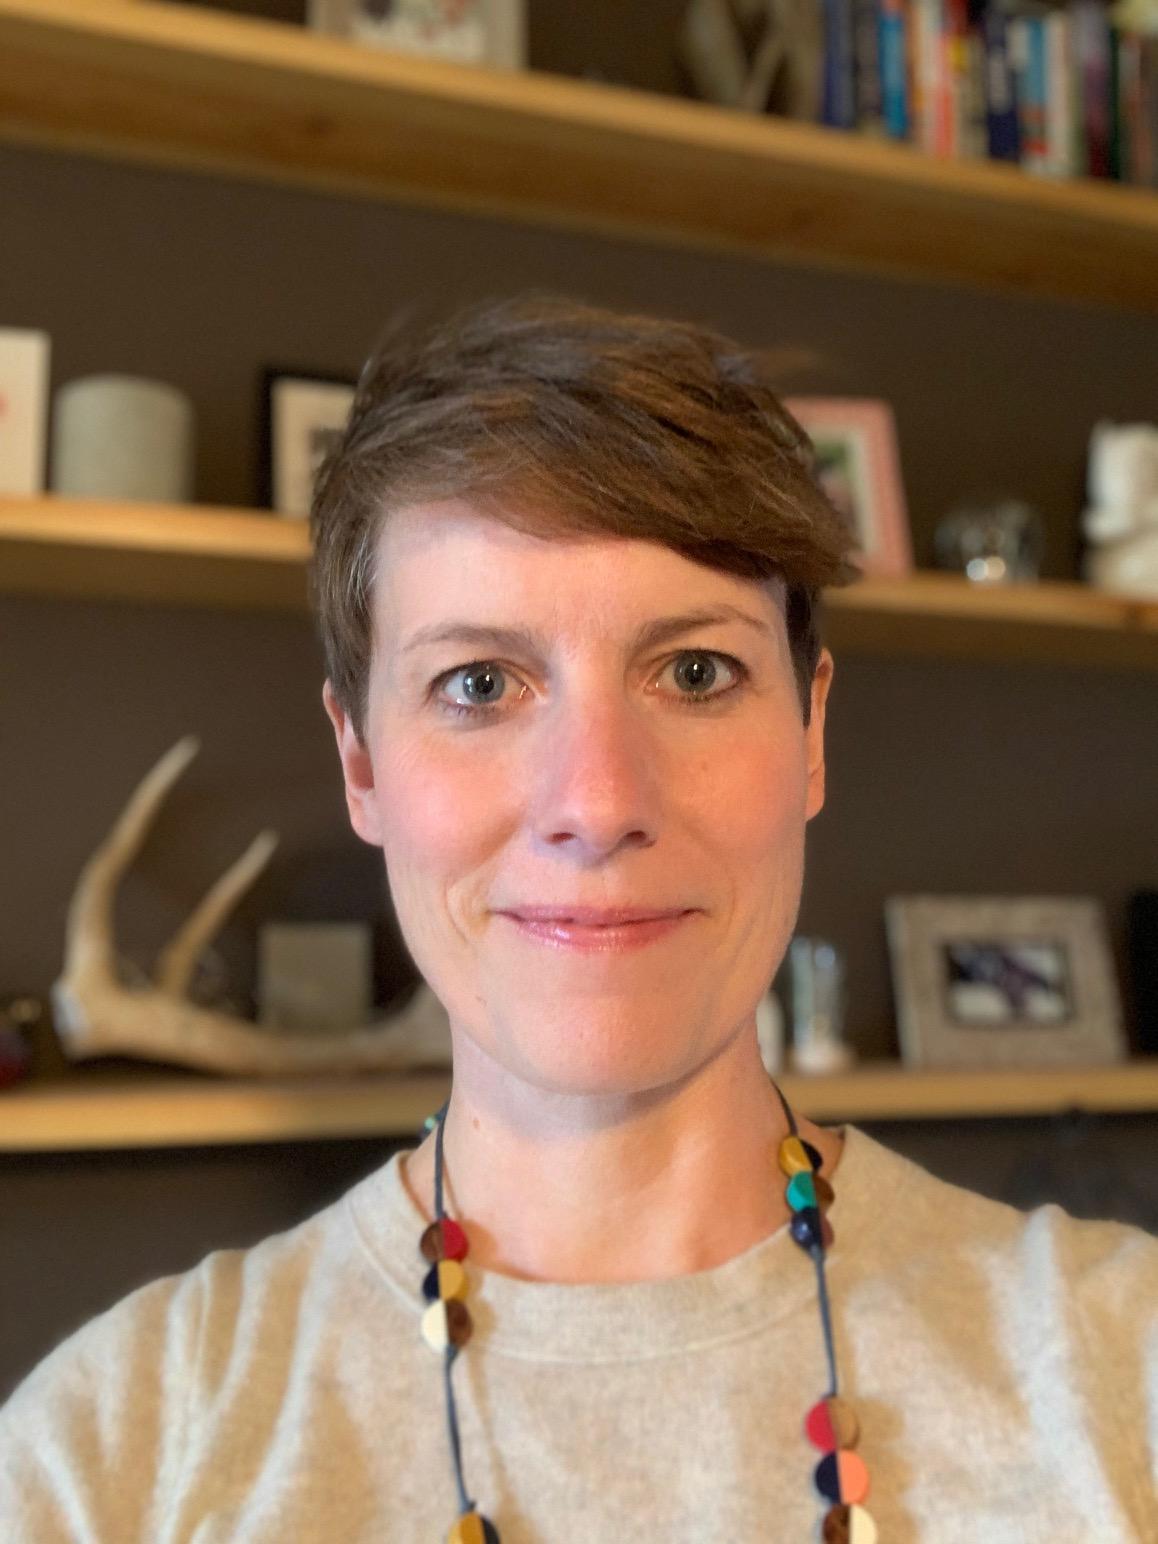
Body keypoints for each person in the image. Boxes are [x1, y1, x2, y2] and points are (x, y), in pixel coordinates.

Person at [1, 293, 1154, 1543]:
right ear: (362, 765)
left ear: (811, 730)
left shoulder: (1123, 1364)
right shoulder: (109, 1454)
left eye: (696, 672)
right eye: (478, 683)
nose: (597, 804)